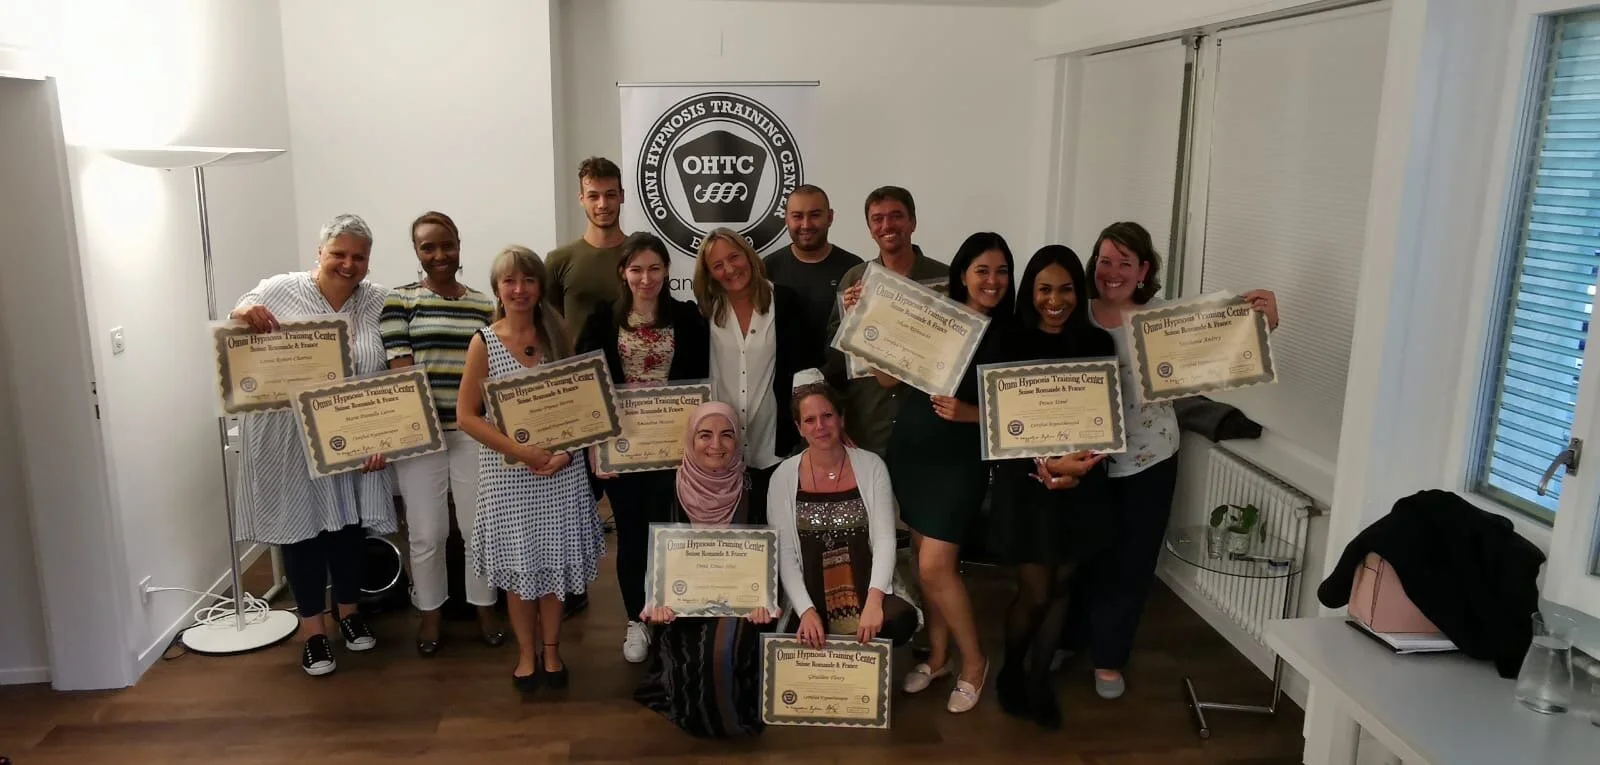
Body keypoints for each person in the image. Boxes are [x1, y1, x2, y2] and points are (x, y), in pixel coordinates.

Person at [1063, 221, 1279, 699]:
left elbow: (1225, 350)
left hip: (1149, 459)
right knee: (1080, 556)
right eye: (1104, 260)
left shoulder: (1164, 321)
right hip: (1083, 462)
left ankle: (1109, 658)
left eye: (1125, 263)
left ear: (1144, 270)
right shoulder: (1074, 314)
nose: (1112, 271)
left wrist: (1261, 324)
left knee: (1132, 560)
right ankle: (1070, 638)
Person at [844, 231, 1017, 713]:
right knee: (928, 565)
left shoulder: (1011, 333)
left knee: (935, 566)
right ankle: (938, 658)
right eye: (982, 270)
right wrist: (866, 315)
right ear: (962, 274)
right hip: (913, 451)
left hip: (960, 461)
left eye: (1002, 271)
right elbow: (886, 378)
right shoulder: (939, 318)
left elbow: (1022, 408)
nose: (993, 280)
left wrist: (970, 413)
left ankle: (975, 663)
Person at [228, 213, 394, 677]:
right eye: (338, 254)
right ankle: (313, 631)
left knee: (348, 527)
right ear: (319, 253)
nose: (348, 264)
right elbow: (240, 312)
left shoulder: (379, 301)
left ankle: (350, 612)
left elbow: (393, 370)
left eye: (358, 256)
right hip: (288, 437)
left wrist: (386, 434)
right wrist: (244, 313)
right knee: (301, 530)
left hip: (351, 434)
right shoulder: (281, 289)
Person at [456, 245, 606, 693]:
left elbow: (582, 407)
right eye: (509, 281)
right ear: (497, 289)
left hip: (561, 470)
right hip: (509, 476)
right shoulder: (484, 342)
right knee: (520, 570)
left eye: (528, 280)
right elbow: (467, 416)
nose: (519, 289)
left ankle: (553, 651)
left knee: (553, 565)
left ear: (540, 286)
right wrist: (523, 454)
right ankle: (526, 654)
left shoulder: (559, 334)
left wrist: (565, 454)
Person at [989, 245, 1115, 729]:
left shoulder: (1097, 343)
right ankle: (1010, 673)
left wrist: (1077, 466)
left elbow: (1104, 421)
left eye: (1065, 289)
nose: (1055, 300)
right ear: (1030, 291)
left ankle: (1039, 679)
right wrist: (1046, 463)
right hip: (1026, 484)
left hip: (1081, 483)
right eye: (1044, 289)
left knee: (1063, 586)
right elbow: (999, 427)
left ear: (1078, 292)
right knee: (1036, 591)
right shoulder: (1008, 341)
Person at [577, 231, 710, 664]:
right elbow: (586, 388)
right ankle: (637, 619)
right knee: (633, 535)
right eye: (636, 269)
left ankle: (670, 616)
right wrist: (595, 446)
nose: (646, 278)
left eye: (654, 268)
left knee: (671, 532)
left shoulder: (688, 318)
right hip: (623, 450)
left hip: (674, 450)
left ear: (667, 271)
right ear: (623, 272)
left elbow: (703, 380)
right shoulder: (602, 320)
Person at [379, 211, 506, 657]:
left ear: (459, 245)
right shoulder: (399, 301)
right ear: (416, 252)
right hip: (421, 437)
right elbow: (401, 373)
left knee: (477, 529)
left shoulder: (484, 306)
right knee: (427, 534)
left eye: (446, 245)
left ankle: (484, 606)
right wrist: (419, 425)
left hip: (474, 433)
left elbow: (495, 372)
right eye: (427, 247)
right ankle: (430, 611)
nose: (438, 255)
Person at [633, 402, 774, 738]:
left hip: (741, 604)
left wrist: (765, 598)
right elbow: (650, 552)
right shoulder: (667, 487)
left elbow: (769, 553)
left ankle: (728, 719)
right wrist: (655, 599)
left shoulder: (756, 486)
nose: (716, 445)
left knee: (723, 653)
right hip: (682, 602)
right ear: (690, 439)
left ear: (738, 439)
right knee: (691, 660)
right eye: (705, 435)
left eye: (726, 435)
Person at [767, 379, 921, 649]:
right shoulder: (783, 477)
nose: (820, 426)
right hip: (811, 586)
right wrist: (806, 611)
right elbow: (786, 553)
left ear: (841, 419)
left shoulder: (871, 466)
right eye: (810, 420)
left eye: (827, 416)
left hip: (864, 579)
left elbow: (885, 539)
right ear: (799, 428)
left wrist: (874, 601)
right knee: (798, 640)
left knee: (897, 622)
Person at [693, 228, 826, 524]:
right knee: (732, 538)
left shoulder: (784, 301)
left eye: (734, 257)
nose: (730, 269)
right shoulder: (705, 312)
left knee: (778, 530)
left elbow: (806, 369)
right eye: (718, 265)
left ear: (748, 255)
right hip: (721, 450)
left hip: (774, 443)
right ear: (709, 273)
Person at [547, 155, 629, 619]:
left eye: (610, 194)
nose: (602, 204)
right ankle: (572, 584)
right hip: (575, 399)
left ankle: (638, 603)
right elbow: (548, 328)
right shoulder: (560, 261)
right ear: (581, 198)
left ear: (622, 196)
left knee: (627, 504)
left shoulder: (637, 253)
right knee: (573, 500)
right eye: (593, 195)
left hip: (631, 395)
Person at [824, 186, 947, 458]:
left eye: (896, 216)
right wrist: (852, 321)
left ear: (913, 222)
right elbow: (835, 359)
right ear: (870, 229)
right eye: (877, 219)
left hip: (929, 428)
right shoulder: (854, 280)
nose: (887, 225)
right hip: (868, 426)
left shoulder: (944, 281)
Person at [763, 185, 862, 334]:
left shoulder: (853, 267)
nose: (806, 225)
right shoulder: (767, 268)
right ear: (786, 219)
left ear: (829, 217)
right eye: (797, 216)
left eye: (815, 215)